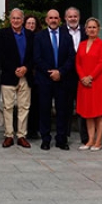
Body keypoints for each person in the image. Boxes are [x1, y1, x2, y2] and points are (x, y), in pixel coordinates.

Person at [32, 9, 76, 150]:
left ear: (59, 20)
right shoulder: (39, 37)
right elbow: (37, 58)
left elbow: (71, 57)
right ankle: (45, 139)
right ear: (46, 20)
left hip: (62, 79)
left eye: (56, 18)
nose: (53, 20)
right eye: (50, 18)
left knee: (61, 110)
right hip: (45, 79)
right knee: (44, 110)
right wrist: (50, 72)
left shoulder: (66, 36)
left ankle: (61, 139)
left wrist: (60, 72)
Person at [0, 8, 33, 148]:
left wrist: (26, 68)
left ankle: (22, 135)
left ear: (23, 20)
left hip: (26, 75)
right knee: (8, 106)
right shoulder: (2, 34)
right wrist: (14, 69)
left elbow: (33, 55)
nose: (16, 21)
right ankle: (9, 135)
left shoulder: (30, 35)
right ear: (9, 20)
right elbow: (0, 55)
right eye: (13, 18)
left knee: (24, 107)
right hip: (8, 76)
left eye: (18, 18)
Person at [76, 17, 102, 151]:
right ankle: (90, 140)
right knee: (87, 112)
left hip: (97, 82)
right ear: (85, 29)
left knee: (97, 113)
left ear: (98, 29)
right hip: (84, 83)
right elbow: (78, 62)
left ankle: (98, 141)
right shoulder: (82, 44)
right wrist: (83, 77)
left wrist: (90, 77)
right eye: (89, 27)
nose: (91, 29)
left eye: (94, 27)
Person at [64, 7, 88, 145]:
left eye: (75, 16)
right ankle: (65, 135)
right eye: (70, 16)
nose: (72, 18)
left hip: (83, 75)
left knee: (82, 106)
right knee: (66, 106)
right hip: (67, 75)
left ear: (79, 17)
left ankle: (84, 136)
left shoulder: (86, 31)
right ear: (66, 18)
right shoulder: (61, 31)